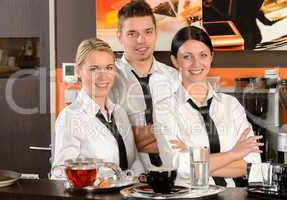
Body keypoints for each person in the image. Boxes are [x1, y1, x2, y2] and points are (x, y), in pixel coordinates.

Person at [151, 26, 262, 187]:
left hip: (232, 196)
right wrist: (234, 153)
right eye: (187, 57)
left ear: (211, 57)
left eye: (203, 55)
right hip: (190, 197)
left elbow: (251, 166)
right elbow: (179, 167)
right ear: (175, 60)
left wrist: (194, 159)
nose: (196, 63)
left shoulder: (230, 105)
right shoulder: (165, 108)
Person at [51, 38, 144, 179]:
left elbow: (133, 161)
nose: (103, 76)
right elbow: (60, 175)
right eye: (94, 69)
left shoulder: (120, 113)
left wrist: (141, 179)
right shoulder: (70, 117)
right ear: (78, 71)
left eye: (108, 68)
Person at [110, 0, 179, 169]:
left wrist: (133, 135)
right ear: (119, 36)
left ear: (156, 33)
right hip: (128, 180)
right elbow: (109, 138)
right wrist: (167, 135)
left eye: (148, 31)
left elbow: (191, 133)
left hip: (175, 178)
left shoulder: (174, 78)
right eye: (132, 33)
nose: (141, 40)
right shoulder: (108, 79)